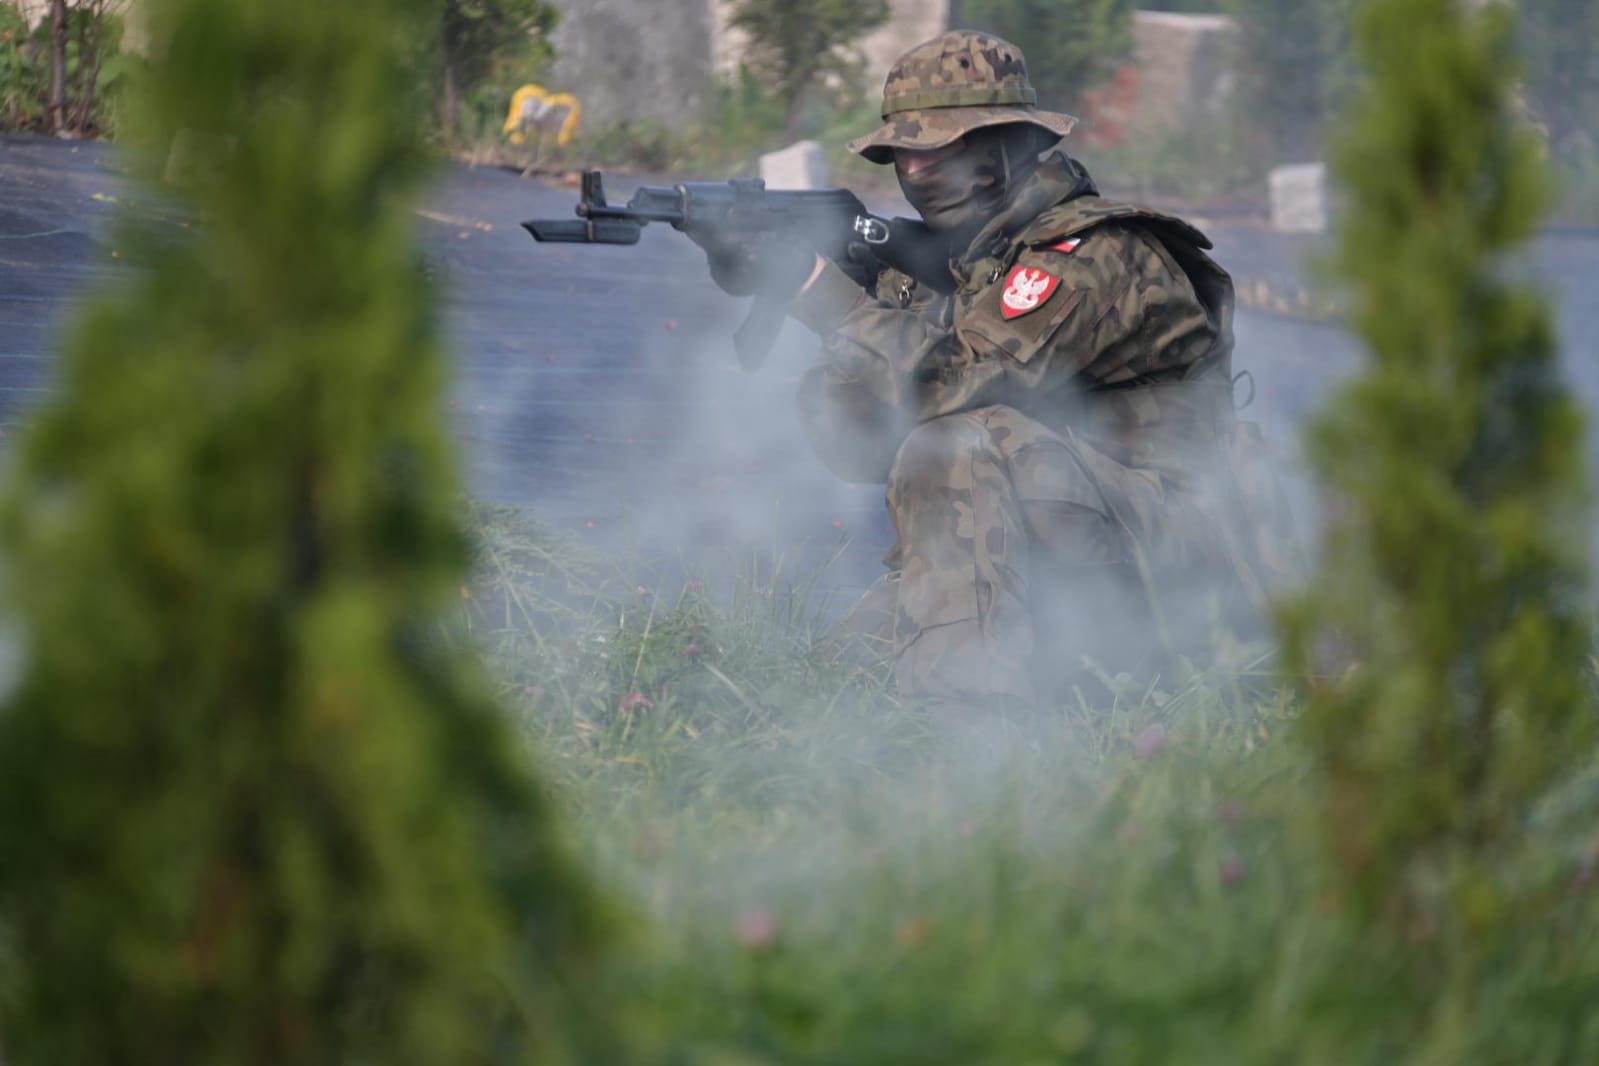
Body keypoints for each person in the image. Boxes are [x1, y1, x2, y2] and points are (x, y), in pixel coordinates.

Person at [696, 30, 1297, 711]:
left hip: (1185, 550)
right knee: (828, 693)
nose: (914, 173)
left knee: (955, 442)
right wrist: (845, 302)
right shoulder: (967, 266)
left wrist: (831, 304)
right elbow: (861, 449)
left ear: (1004, 148)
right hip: (1058, 533)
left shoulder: (1091, 253)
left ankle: (966, 730)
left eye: (935, 150)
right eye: (902, 155)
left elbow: (954, 387)